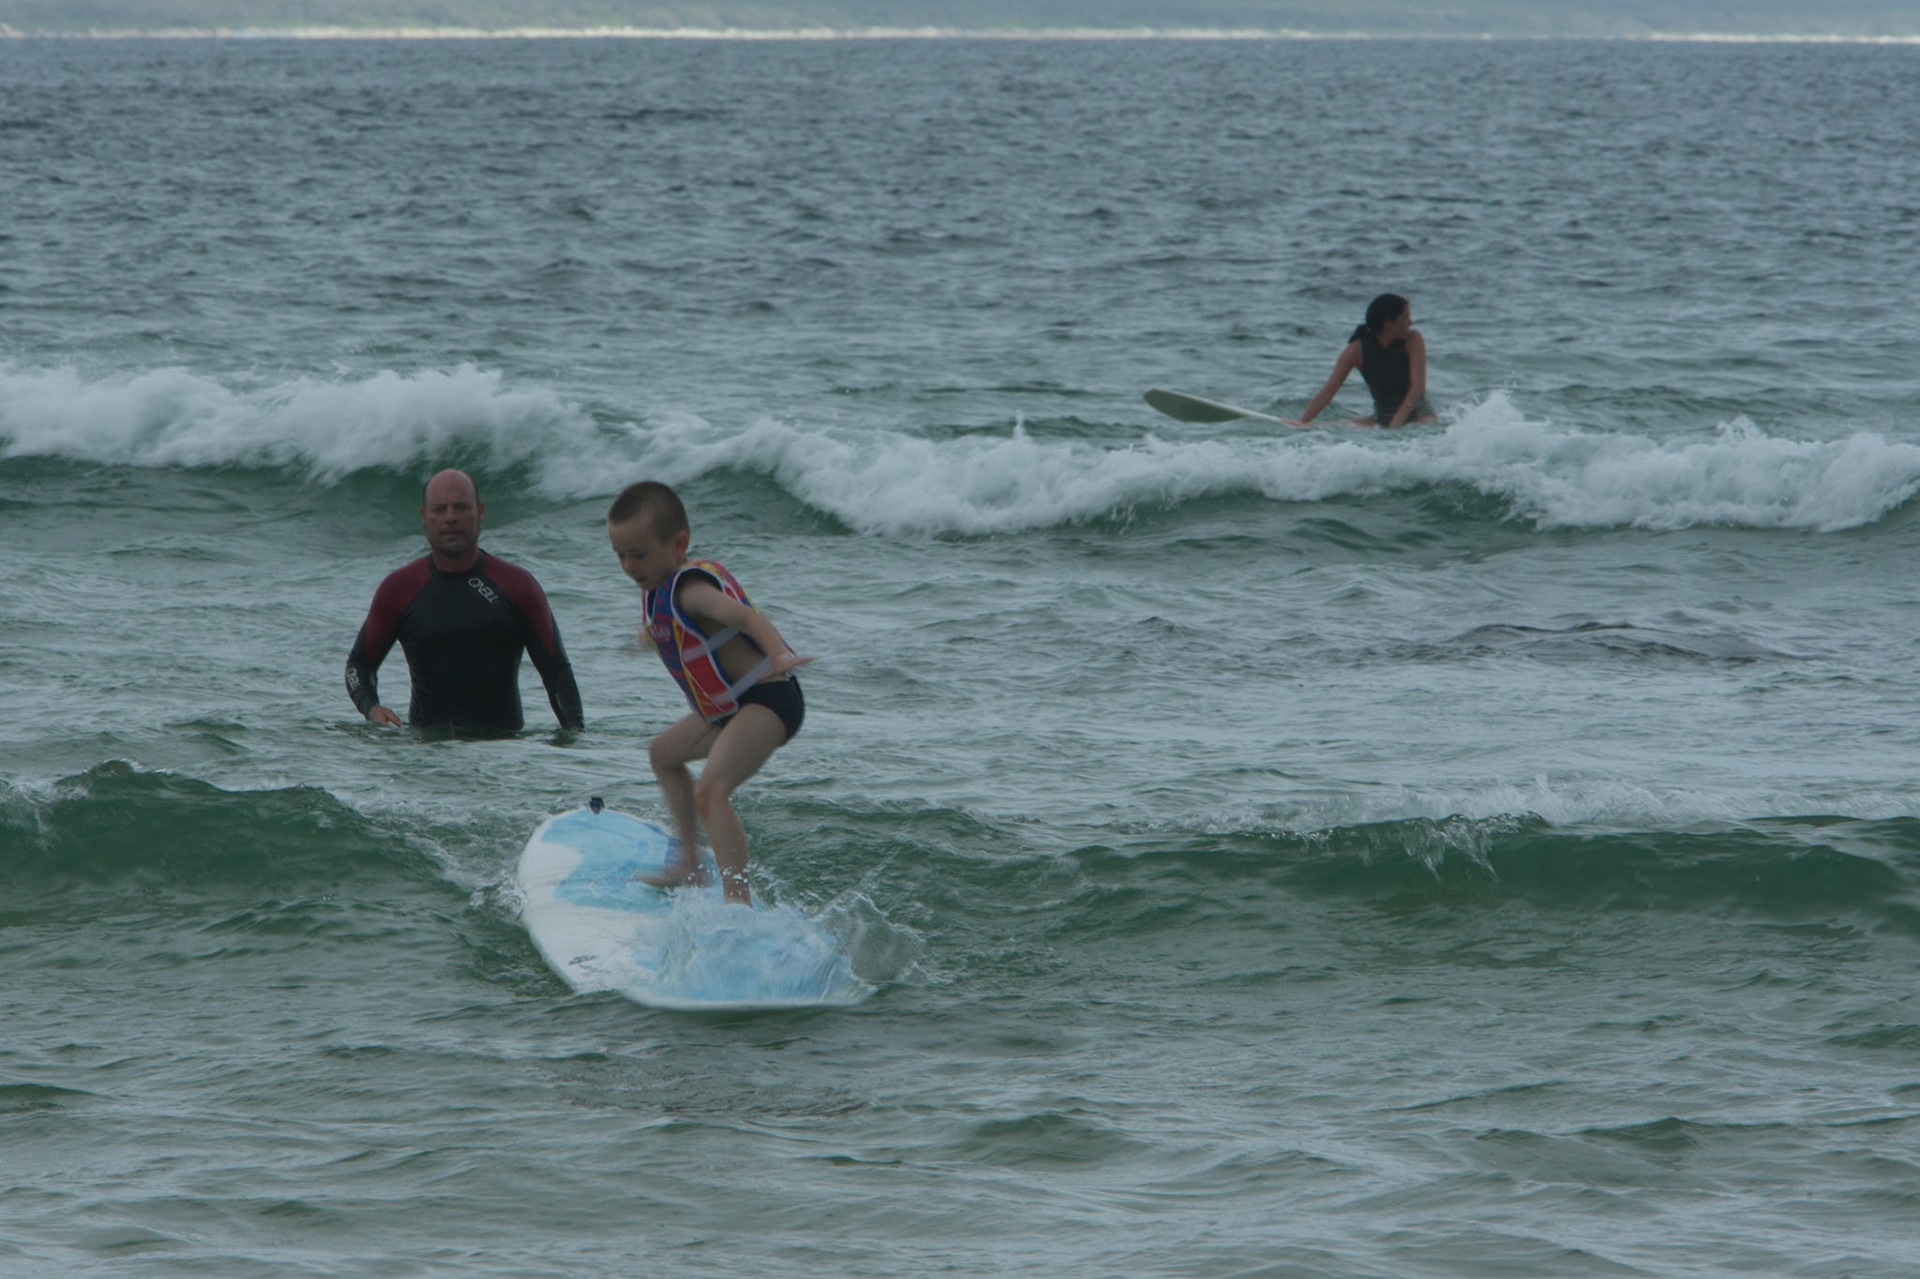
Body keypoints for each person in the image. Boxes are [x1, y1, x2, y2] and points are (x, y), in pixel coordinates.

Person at [606, 480, 812, 906]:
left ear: (678, 544)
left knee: (710, 791)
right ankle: (688, 864)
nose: (629, 565)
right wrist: (648, 637)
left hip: (769, 700)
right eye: (620, 555)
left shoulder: (694, 590)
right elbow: (675, 629)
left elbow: (748, 618)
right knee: (662, 754)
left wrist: (778, 655)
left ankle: (738, 903)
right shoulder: (659, 596)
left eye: (638, 554)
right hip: (730, 709)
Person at [346, 469, 584, 733]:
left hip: (503, 754)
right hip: (425, 754)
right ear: (424, 516)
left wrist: (575, 736)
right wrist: (370, 707)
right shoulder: (399, 589)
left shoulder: (517, 586)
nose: (450, 518)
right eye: (440, 509)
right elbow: (359, 664)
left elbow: (557, 672)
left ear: (480, 511)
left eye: (461, 507)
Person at [1288, 293, 1438, 428]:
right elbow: (1329, 390)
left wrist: (1396, 423)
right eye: (1405, 318)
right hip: (1382, 419)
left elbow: (1418, 389)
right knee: (1328, 427)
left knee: (1427, 425)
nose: (1410, 322)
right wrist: (1303, 422)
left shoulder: (1413, 339)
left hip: (1420, 416)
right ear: (1388, 324)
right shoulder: (1356, 350)